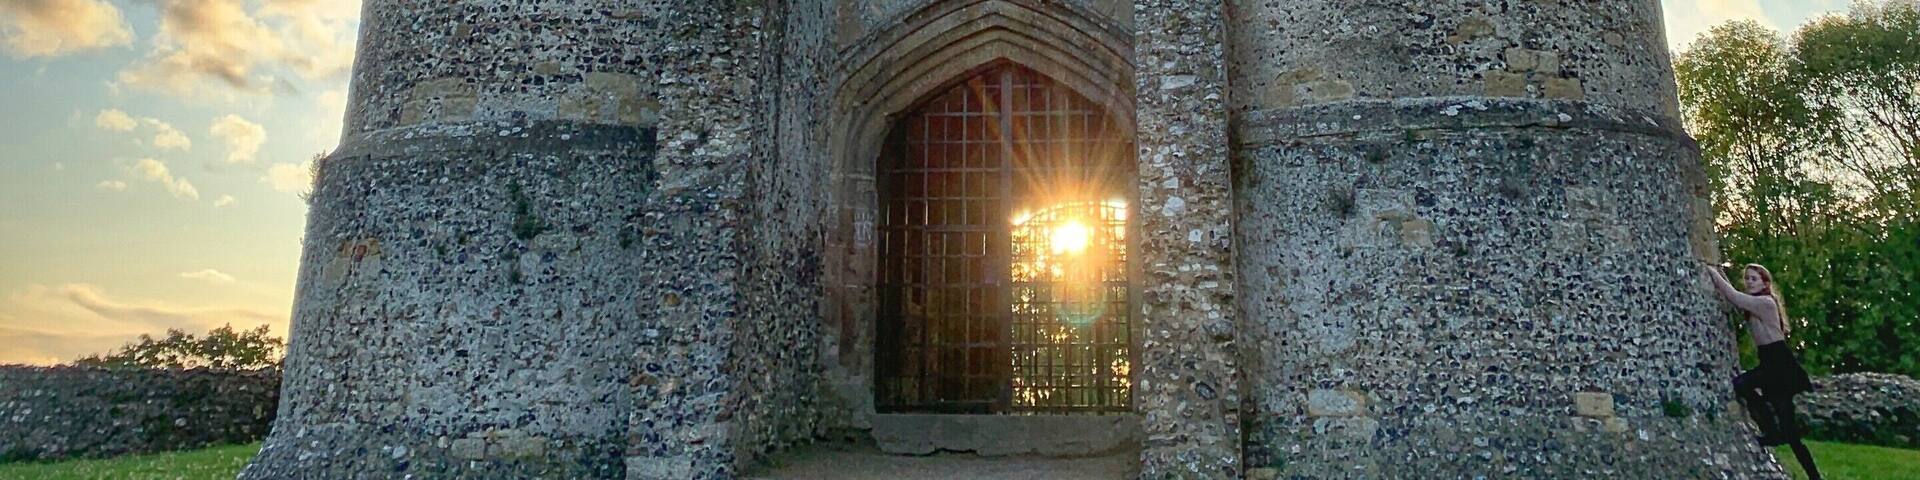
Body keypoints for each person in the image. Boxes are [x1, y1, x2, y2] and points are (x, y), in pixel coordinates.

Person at [1705, 263, 1821, 479]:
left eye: (1754, 279)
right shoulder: (1755, 303)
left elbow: (1734, 297)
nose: (1749, 282)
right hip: (1769, 361)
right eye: (1747, 278)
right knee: (1746, 389)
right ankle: (1773, 431)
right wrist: (1721, 274)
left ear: (1765, 283)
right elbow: (1737, 298)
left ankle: (1810, 472)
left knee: (1786, 427)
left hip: (1779, 363)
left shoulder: (1765, 303)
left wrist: (1712, 272)